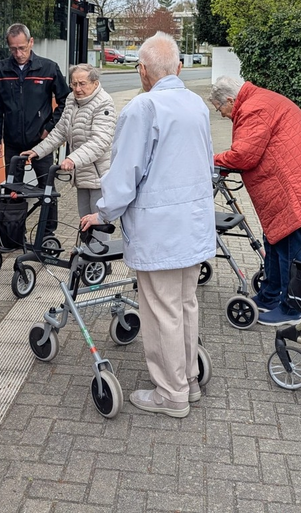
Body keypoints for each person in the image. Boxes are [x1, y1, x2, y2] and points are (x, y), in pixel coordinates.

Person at [80, 32, 215, 418]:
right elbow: (206, 165)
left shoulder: (143, 108)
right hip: (193, 224)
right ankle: (187, 382)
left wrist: (102, 211)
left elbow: (125, 176)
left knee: (162, 311)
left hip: (161, 231)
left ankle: (170, 393)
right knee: (186, 305)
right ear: (178, 67)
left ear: (142, 71)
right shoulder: (196, 105)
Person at [210, 76, 301, 326]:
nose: (221, 115)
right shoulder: (258, 100)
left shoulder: (254, 108)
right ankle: (270, 294)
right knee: (274, 239)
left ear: (231, 100)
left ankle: (292, 306)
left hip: (289, 185)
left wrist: (210, 158)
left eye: (220, 108)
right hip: (288, 181)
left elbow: (243, 155)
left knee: (287, 245)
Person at [0, 23, 70, 234]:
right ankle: (14, 233)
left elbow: (65, 101)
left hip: (41, 143)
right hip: (13, 143)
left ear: (31, 42)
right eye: (13, 49)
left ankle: (47, 233)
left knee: (46, 190)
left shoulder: (48, 68)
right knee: (13, 190)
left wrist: (50, 128)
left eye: (22, 48)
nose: (19, 53)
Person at [21, 63, 117, 235]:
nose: (77, 89)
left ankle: (99, 261)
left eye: (82, 84)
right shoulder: (72, 100)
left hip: (99, 176)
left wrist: (73, 159)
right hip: (82, 174)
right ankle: (86, 257)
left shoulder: (104, 104)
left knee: (98, 226)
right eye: (74, 84)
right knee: (85, 222)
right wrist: (37, 151)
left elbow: (100, 142)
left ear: (95, 83)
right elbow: (60, 131)